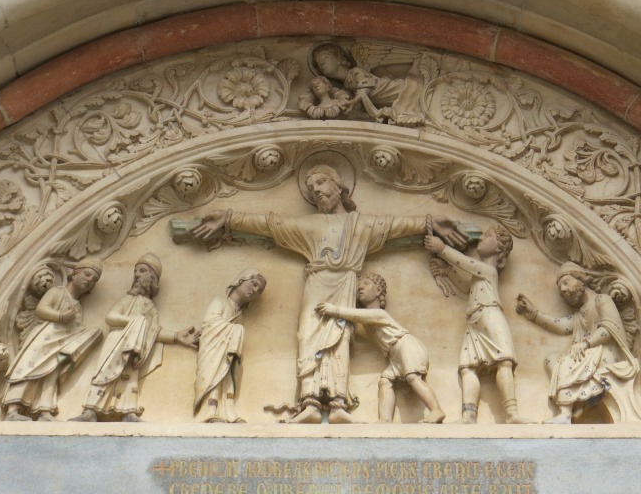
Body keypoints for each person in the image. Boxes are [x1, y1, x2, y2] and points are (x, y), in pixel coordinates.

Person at [192, 164, 466, 423]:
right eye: (311, 188)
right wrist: (229, 218)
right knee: (307, 336)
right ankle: (309, 402)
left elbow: (395, 226)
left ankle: (337, 404)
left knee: (341, 338)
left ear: (339, 186)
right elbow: (270, 225)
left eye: (322, 183)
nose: (317, 191)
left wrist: (428, 222)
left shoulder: (362, 225)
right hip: (316, 286)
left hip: (345, 285)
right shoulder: (310, 226)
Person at [72, 254, 197, 422]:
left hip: (135, 346)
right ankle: (90, 411)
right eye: (135, 271)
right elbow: (111, 317)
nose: (137, 274)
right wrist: (135, 321)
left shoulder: (150, 307)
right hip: (117, 342)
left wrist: (176, 336)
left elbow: (152, 331)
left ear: (152, 277)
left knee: (129, 377)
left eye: (142, 271)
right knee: (105, 374)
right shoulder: (128, 299)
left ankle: (127, 411)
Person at [515, 262, 638, 423]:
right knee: (552, 359)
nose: (564, 290)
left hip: (608, 354)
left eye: (566, 283)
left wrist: (585, 343)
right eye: (561, 289)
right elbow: (562, 325)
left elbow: (609, 328)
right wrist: (534, 314)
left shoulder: (602, 300)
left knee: (568, 361)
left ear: (581, 280)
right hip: (589, 355)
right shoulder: (580, 313)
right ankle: (576, 402)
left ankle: (565, 413)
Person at [316, 272, 445, 423]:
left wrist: (335, 310)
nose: (360, 287)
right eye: (358, 286)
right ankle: (385, 421)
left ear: (378, 291)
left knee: (412, 377)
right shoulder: (366, 318)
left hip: (406, 346)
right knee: (385, 381)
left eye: (366, 284)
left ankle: (436, 410)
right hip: (394, 355)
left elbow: (357, 316)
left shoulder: (379, 314)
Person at [423, 225, 520, 423]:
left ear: (499, 248)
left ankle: (512, 414)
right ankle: (468, 415)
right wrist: (447, 271)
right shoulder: (480, 275)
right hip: (474, 321)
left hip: (491, 317)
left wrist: (443, 249)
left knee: (504, 361)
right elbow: (466, 287)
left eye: (487, 235)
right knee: (467, 366)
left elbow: (467, 263)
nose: (481, 238)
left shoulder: (488, 270)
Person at [2, 258, 103, 421]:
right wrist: (61, 316)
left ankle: (44, 410)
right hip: (44, 339)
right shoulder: (57, 292)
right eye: (87, 274)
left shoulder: (77, 305)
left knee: (51, 373)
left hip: (60, 345)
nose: (89, 280)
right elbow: (42, 309)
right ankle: (13, 410)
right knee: (28, 368)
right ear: (75, 274)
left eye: (94, 280)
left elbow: (75, 328)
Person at [193, 268, 267, 422]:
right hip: (212, 351)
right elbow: (210, 322)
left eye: (258, 290)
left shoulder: (238, 313)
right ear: (240, 280)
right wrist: (235, 330)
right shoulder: (220, 301)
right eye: (253, 284)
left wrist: (233, 332)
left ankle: (227, 410)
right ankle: (209, 411)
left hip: (226, 353)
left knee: (227, 379)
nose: (254, 290)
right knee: (213, 377)